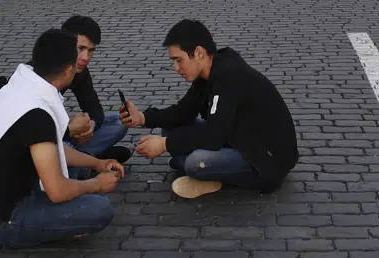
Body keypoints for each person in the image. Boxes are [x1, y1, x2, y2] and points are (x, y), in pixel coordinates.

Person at [0, 29, 123, 248]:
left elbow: (54, 149)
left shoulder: (19, 89)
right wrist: (97, 184)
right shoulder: (39, 114)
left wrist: (98, 163)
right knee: (99, 208)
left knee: (76, 177)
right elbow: (57, 191)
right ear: (69, 70)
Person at [122, 19, 298, 199]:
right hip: (235, 138)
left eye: (179, 60)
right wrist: (142, 117)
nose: (176, 68)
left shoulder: (228, 77)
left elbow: (215, 136)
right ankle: (208, 171)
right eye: (173, 61)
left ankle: (210, 175)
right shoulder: (208, 73)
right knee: (170, 130)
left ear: (199, 53)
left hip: (265, 159)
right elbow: (182, 112)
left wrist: (165, 144)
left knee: (194, 162)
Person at [57, 15, 129, 160]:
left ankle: (83, 157)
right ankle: (85, 161)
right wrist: (68, 131)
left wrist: (91, 125)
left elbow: (94, 108)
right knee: (63, 150)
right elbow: (33, 131)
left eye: (91, 50)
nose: (85, 57)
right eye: (81, 48)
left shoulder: (80, 71)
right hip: (44, 142)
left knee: (120, 121)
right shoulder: (43, 72)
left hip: (64, 135)